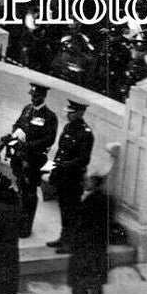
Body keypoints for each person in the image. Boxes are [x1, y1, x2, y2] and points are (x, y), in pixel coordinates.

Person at [0, 83, 57, 237]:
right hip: (20, 157)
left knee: (30, 193)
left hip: (34, 159)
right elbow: (18, 124)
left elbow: (49, 139)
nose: (33, 98)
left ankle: (26, 226)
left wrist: (28, 145)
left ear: (43, 96)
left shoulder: (49, 116)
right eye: (32, 95)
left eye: (36, 96)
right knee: (20, 188)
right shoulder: (27, 109)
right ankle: (19, 220)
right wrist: (16, 134)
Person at [58, 174, 110, 294]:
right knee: (96, 281)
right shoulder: (108, 200)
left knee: (79, 283)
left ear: (94, 183)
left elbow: (79, 222)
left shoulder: (89, 202)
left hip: (85, 247)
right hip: (99, 247)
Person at [47, 100, 94, 253]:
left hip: (73, 179)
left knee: (71, 211)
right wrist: (56, 169)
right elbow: (61, 151)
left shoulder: (86, 133)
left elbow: (83, 159)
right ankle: (63, 237)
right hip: (62, 176)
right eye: (68, 111)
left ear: (80, 113)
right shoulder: (68, 128)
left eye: (72, 112)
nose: (68, 114)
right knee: (63, 208)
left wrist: (65, 166)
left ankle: (71, 242)